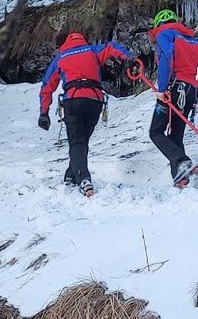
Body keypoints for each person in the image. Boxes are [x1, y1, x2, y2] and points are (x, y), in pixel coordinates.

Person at [37, 31, 131, 197]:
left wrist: (44, 112)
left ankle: (84, 179)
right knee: (82, 140)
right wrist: (130, 58)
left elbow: (46, 87)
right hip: (94, 100)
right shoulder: (92, 50)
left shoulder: (61, 58)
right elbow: (111, 47)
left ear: (65, 44)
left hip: (73, 101)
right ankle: (70, 175)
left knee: (77, 142)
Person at [148, 9, 198, 188]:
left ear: (158, 24)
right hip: (190, 91)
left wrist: (161, 89)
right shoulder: (194, 41)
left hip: (173, 89)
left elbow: (167, 56)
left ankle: (182, 162)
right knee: (175, 135)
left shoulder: (163, 35)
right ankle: (180, 177)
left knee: (155, 132)